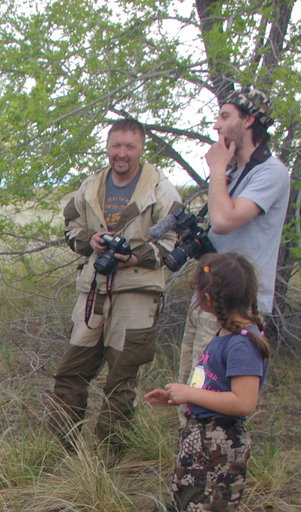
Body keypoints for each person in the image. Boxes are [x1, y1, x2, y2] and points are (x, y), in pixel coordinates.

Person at [145, 253, 271, 512]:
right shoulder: (225, 334)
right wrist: (180, 397)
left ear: (211, 297)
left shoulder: (243, 342)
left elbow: (244, 402)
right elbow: (216, 388)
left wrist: (190, 393)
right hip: (200, 437)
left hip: (219, 443)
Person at [55, 119, 182, 447]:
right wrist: (91, 239)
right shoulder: (92, 185)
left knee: (121, 379)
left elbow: (174, 241)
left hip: (137, 293)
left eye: (129, 146)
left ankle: (110, 454)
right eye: (116, 146)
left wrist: (137, 256)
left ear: (142, 148)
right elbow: (70, 227)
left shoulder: (160, 188)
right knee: (71, 373)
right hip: (94, 288)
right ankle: (61, 448)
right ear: (107, 146)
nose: (121, 154)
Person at [177, 87, 289, 385]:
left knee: (213, 398)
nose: (216, 126)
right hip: (208, 298)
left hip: (237, 305)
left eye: (225, 116)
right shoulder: (236, 173)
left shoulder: (270, 172)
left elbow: (225, 220)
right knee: (189, 392)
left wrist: (215, 170)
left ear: (249, 120)